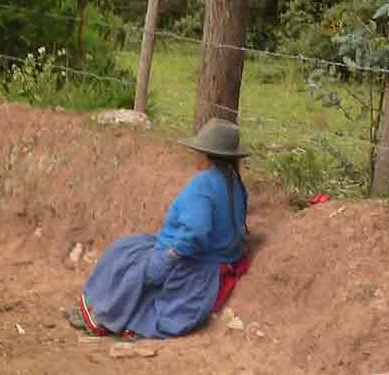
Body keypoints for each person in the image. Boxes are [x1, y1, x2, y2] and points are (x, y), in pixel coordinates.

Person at [68, 118, 252, 339]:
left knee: (124, 263)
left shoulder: (203, 184)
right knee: (125, 248)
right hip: (217, 256)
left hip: (192, 258)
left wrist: (169, 257)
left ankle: (102, 317)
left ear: (206, 154)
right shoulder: (234, 182)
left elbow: (196, 232)